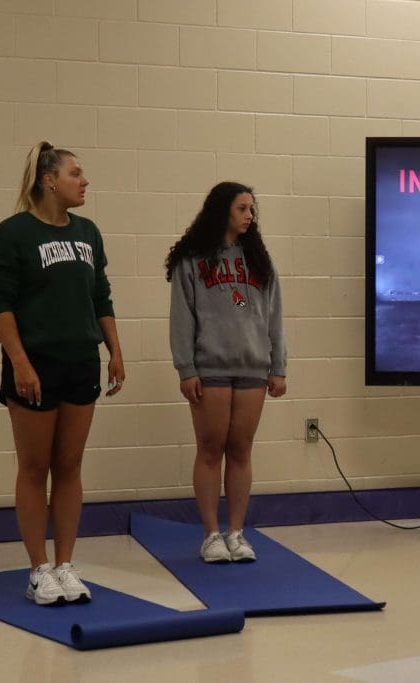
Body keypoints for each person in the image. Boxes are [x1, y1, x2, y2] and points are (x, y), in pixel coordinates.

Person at [0, 141, 125, 605]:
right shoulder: (11, 234)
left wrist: (114, 351)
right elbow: (0, 304)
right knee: (34, 466)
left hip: (80, 360)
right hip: (35, 364)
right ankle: (38, 569)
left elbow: (100, 296)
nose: (84, 181)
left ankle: (65, 565)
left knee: (69, 466)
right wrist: (20, 362)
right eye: (75, 173)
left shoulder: (88, 232)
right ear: (48, 180)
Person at [166, 181, 287, 564]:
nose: (250, 215)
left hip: (253, 368)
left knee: (240, 450)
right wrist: (186, 368)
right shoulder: (193, 260)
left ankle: (236, 532)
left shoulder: (260, 261)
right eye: (242, 208)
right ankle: (210, 534)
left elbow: (275, 317)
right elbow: (181, 318)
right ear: (222, 211)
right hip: (211, 368)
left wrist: (278, 366)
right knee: (210, 449)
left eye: (253, 209)